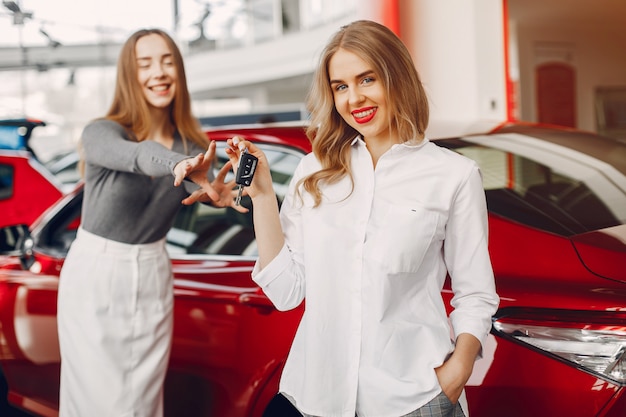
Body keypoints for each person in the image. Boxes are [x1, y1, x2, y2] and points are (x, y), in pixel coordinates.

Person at [224, 20, 499, 417]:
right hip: (314, 397)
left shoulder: (454, 175)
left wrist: (456, 373)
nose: (354, 98)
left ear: (397, 77)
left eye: (367, 79)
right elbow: (286, 293)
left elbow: (475, 294)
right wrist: (263, 196)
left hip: (411, 399)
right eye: (340, 86)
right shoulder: (313, 169)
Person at [56, 28, 241, 417]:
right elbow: (140, 155)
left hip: (154, 270)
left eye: (167, 61)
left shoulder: (195, 147)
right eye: (145, 64)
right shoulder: (103, 132)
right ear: (130, 75)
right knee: (98, 402)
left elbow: (215, 191)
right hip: (96, 275)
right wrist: (177, 164)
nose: (158, 72)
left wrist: (226, 198)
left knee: (142, 402)